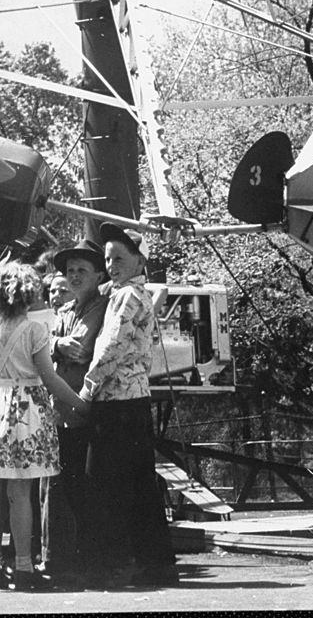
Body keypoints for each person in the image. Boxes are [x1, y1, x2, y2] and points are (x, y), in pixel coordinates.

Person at [0, 262, 86, 592]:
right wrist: (82, 404)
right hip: (25, 411)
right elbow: (50, 377)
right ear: (28, 294)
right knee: (20, 493)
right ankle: (25, 567)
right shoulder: (34, 331)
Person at [73, 223, 179, 589]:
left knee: (103, 484)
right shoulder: (137, 293)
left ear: (139, 260)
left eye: (119, 258)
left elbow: (111, 348)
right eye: (108, 259)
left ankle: (111, 565)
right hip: (135, 401)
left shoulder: (125, 298)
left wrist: (87, 389)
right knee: (139, 485)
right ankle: (155, 562)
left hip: (115, 403)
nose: (112, 265)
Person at [39, 239, 108, 584]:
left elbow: (80, 351)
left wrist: (57, 348)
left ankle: (86, 559)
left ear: (98, 274)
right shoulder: (65, 312)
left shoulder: (100, 306)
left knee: (83, 488)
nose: (75, 276)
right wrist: (55, 345)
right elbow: (47, 347)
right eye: (70, 271)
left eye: (82, 270)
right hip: (60, 411)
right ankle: (61, 558)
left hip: (84, 409)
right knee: (62, 486)